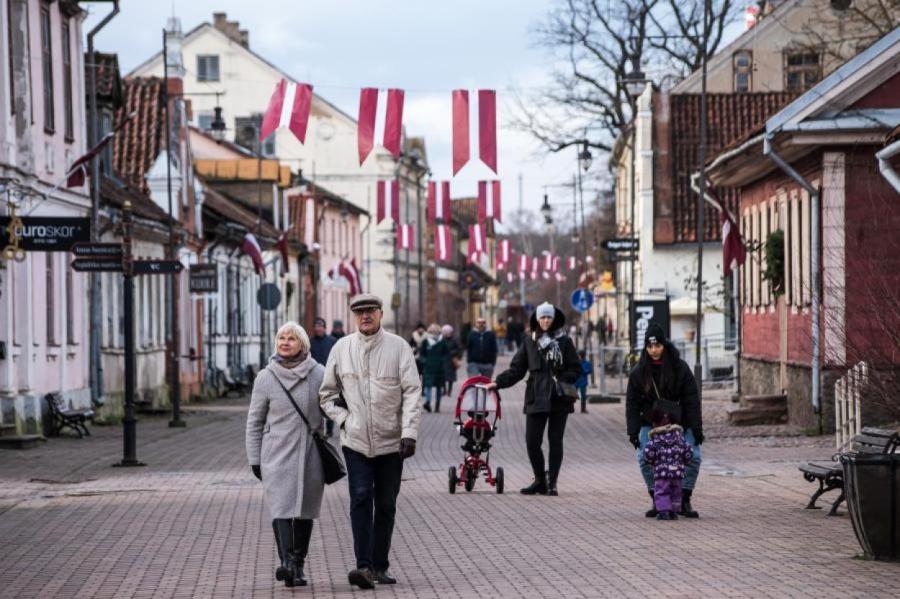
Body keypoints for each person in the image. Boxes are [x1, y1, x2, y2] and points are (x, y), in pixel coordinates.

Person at [319, 294, 422, 589]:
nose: (365, 316)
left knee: (386, 504)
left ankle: (380, 566)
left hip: (393, 442)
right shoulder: (342, 348)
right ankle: (363, 566)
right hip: (356, 441)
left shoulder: (399, 347)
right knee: (361, 497)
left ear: (380, 313)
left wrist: (409, 433)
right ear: (354, 316)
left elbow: (412, 392)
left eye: (370, 311)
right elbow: (326, 395)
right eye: (360, 312)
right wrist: (344, 420)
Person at [246, 321, 325, 588]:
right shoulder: (266, 377)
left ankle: (297, 565)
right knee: (281, 508)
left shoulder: (319, 374)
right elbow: (254, 421)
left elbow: (333, 408)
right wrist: (254, 458)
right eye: (281, 337)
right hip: (276, 454)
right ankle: (287, 564)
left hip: (310, 453)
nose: (285, 342)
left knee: (304, 511)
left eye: (291, 338)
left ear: (302, 344)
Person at [487, 302, 580, 496]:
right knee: (532, 442)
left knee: (555, 441)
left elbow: (575, 368)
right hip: (535, 396)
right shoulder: (530, 342)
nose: (546, 320)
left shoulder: (564, 342)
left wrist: (563, 379)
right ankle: (539, 479)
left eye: (549, 317)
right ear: (537, 319)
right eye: (542, 317)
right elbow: (517, 370)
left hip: (559, 398)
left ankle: (552, 482)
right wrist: (498, 382)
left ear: (554, 319)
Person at [626, 322, 703, 519]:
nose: (654, 350)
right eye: (650, 346)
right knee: (644, 457)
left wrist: (696, 428)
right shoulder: (638, 372)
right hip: (650, 424)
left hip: (679, 421)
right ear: (646, 347)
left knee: (694, 456)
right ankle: (658, 498)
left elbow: (692, 399)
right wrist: (633, 432)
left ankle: (684, 498)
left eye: (658, 345)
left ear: (664, 345)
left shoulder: (680, 368)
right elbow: (632, 404)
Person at [642, 410, 694, 521]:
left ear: (655, 424)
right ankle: (674, 512)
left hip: (662, 473)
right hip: (677, 472)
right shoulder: (680, 438)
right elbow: (688, 452)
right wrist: (685, 461)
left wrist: (651, 461)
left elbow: (648, 453)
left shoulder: (655, 439)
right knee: (676, 492)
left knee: (662, 491)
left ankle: (664, 511)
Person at [310, 317, 337, 436]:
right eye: (316, 326)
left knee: (330, 402)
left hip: (329, 376)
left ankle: (330, 429)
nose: (318, 328)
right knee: (315, 403)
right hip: (313, 377)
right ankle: (317, 426)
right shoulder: (309, 342)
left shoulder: (332, 341)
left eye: (320, 326)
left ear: (325, 328)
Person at [419, 323, 448, 413]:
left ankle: (437, 404)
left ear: (438, 331)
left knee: (439, 387)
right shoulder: (426, 342)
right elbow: (422, 354)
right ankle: (427, 402)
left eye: (435, 330)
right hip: (428, 368)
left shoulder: (442, 341)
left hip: (439, 368)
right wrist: (425, 361)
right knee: (428, 386)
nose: (433, 332)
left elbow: (445, 354)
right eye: (431, 331)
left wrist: (443, 362)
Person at [441, 324, 462, 402]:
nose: (445, 333)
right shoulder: (441, 339)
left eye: (446, 332)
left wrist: (455, 354)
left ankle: (449, 391)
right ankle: (444, 390)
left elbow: (459, 349)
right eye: (444, 332)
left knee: (451, 377)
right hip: (443, 360)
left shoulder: (454, 340)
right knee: (442, 376)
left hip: (452, 360)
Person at [575, 350, 591, 414]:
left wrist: (583, 370)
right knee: (572, 395)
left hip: (583, 382)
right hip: (576, 381)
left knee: (583, 396)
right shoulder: (577, 362)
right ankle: (569, 407)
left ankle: (583, 409)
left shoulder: (587, 363)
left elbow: (589, 371)